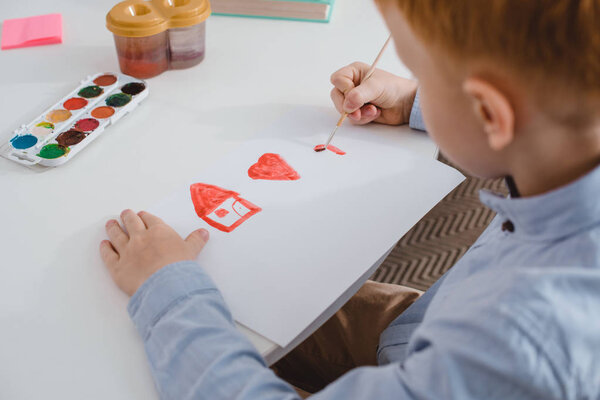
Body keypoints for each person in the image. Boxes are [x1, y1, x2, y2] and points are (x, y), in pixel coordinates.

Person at [99, 0, 600, 398]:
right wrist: (417, 102)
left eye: (420, 67)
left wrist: (169, 294)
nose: (414, 77)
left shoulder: (518, 346)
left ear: (491, 113)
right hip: (421, 325)